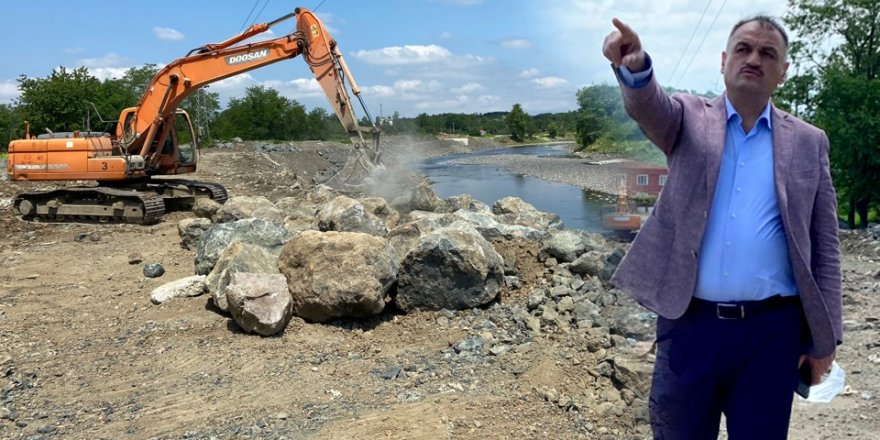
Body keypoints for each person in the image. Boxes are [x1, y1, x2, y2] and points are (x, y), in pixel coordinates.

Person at [602, 15, 842, 439]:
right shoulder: (688, 117)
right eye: (744, 49)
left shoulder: (810, 140)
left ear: (783, 72)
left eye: (768, 53)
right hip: (690, 326)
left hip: (773, 334)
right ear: (723, 60)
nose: (754, 59)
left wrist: (826, 340)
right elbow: (648, 107)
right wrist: (635, 69)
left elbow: (825, 247)